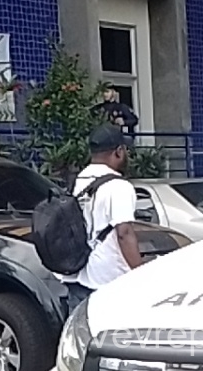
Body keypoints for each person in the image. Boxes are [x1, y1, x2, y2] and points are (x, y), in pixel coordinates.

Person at [58, 123, 142, 314]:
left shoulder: (79, 181)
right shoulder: (119, 186)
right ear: (118, 152)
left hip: (77, 272)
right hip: (109, 279)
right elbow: (124, 233)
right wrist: (140, 272)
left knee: (81, 331)